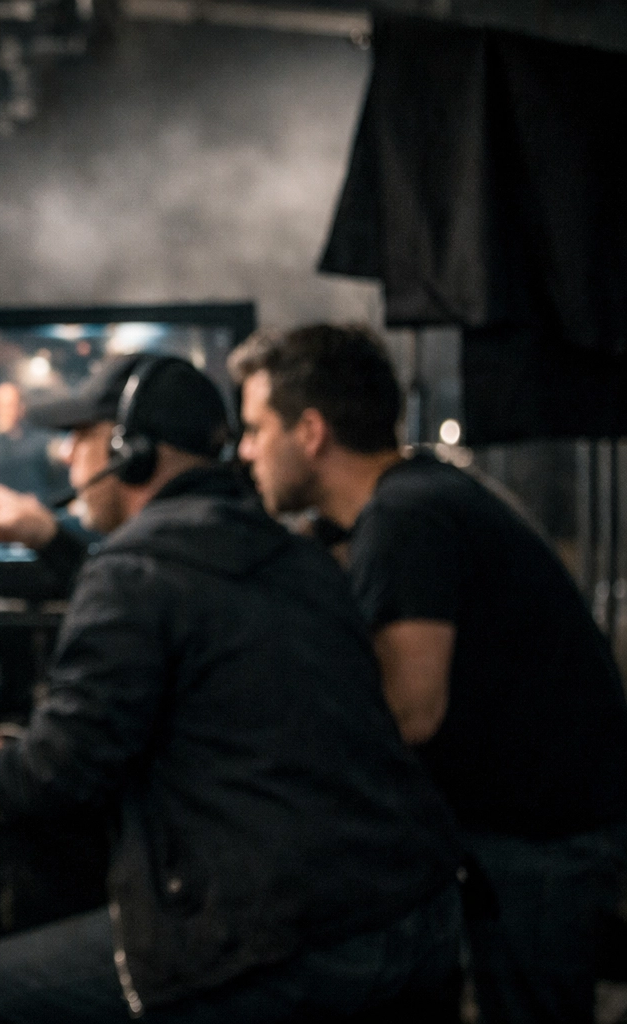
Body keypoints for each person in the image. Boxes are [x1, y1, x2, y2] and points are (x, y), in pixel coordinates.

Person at [0, 353, 462, 1024]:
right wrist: (53, 537)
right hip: (409, 918)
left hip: (274, 943)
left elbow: (45, 779)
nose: (68, 457)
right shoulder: (291, 552)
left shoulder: (135, 575)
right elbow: (176, 601)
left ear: (129, 451)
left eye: (82, 436)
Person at [228, 324, 627, 1024]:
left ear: (312, 431)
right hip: (536, 832)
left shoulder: (406, 519)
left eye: (257, 427)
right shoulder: (413, 498)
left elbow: (410, 712)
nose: (245, 449)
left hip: (538, 846)